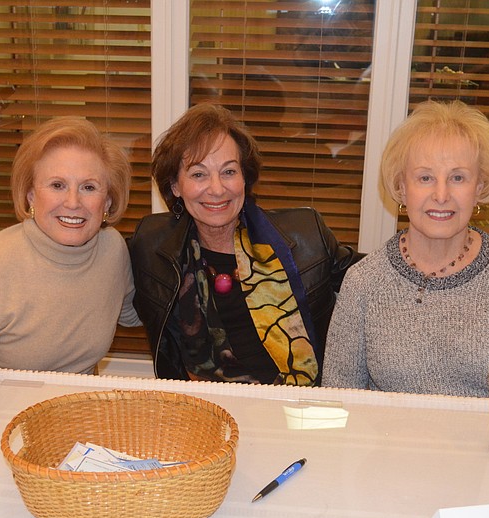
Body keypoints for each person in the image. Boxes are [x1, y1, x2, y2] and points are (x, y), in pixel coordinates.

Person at [323, 100, 489, 398]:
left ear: (479, 188)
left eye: (458, 178)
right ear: (402, 188)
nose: (441, 195)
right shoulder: (364, 282)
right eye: (425, 178)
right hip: (388, 442)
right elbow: (337, 398)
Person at [128, 103, 360, 385]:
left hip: (299, 408)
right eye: (198, 174)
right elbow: (94, 260)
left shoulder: (306, 235)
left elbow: (378, 278)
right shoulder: (151, 246)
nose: (216, 188)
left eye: (228, 172)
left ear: (245, 178)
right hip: (202, 413)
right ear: (176, 186)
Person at [0, 117, 140, 374]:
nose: (73, 202)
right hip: (3, 408)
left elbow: (135, 314)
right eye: (57, 185)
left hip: (80, 407)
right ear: (31, 197)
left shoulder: (112, 250)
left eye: (88, 187)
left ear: (106, 203)